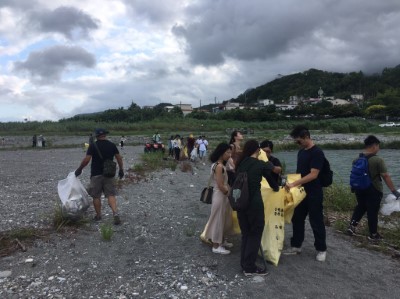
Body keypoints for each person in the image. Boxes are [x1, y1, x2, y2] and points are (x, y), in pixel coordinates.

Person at [236, 139, 279, 277]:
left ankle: (244, 264)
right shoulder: (260, 164)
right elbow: (273, 173)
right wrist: (277, 187)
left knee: (246, 234)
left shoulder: (241, 163)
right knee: (255, 234)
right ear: (258, 150)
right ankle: (249, 268)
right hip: (254, 204)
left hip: (241, 203)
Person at [284, 125, 327, 262]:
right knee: (297, 219)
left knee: (316, 220)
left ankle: (321, 249)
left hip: (314, 191)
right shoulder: (301, 152)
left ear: (306, 137)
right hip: (300, 192)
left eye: (299, 141)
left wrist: (293, 184)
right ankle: (296, 245)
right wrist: (290, 182)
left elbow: (313, 175)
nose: (298, 144)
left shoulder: (317, 153)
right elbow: (300, 173)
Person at [347, 135, 400, 240]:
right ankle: (373, 234)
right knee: (373, 211)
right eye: (378, 146)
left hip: (359, 188)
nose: (378, 149)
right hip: (374, 189)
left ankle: (352, 226)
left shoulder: (357, 159)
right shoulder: (378, 160)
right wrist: (394, 191)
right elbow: (385, 176)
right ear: (374, 146)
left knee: (361, 206)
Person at [75, 128, 124, 225]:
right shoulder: (111, 145)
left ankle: (98, 216)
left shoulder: (93, 146)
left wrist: (79, 169)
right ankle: (115, 213)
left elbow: (87, 160)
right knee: (111, 194)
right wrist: (121, 169)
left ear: (96, 136)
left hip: (96, 174)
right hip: (109, 174)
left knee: (96, 196)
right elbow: (119, 158)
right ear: (105, 135)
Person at [202, 143, 233, 254]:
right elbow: (220, 185)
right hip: (220, 195)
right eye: (228, 153)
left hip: (221, 195)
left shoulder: (218, 164)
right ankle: (216, 245)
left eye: (230, 153)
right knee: (218, 220)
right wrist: (229, 193)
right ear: (221, 153)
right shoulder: (219, 166)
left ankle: (221, 241)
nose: (229, 155)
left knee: (222, 218)